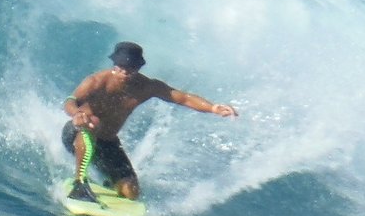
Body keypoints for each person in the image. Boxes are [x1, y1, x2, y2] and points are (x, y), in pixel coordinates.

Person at [63, 41, 237, 200]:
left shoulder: (147, 87)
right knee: (94, 121)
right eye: (121, 66)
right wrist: (77, 114)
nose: (124, 72)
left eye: (130, 68)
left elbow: (184, 98)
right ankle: (80, 183)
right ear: (114, 63)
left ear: (138, 67)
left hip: (107, 142)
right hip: (77, 133)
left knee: (131, 192)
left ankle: (110, 181)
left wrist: (213, 108)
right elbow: (71, 100)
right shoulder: (96, 81)